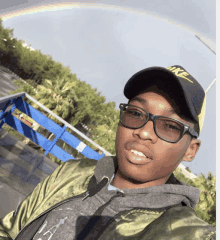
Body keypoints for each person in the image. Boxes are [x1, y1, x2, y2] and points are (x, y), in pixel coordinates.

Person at [0, 65, 216, 239]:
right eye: (136, 113)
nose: (143, 132)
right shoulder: (70, 173)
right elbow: (10, 231)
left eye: (169, 126)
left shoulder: (184, 232)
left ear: (190, 150)